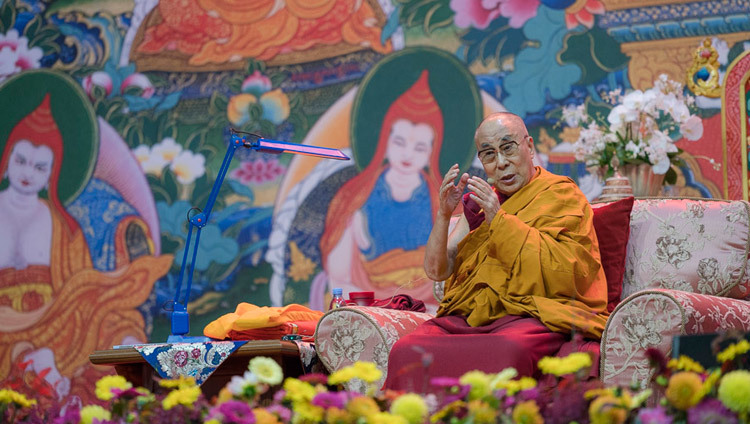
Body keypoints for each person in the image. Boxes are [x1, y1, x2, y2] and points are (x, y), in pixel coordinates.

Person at [384, 112, 609, 392]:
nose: (501, 163)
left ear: (529, 146)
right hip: (472, 317)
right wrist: (443, 214)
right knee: (406, 351)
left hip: (533, 314)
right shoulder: (481, 204)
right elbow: (437, 270)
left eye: (508, 148)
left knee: (507, 352)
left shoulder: (561, 195)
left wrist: (499, 218)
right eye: (489, 155)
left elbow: (569, 271)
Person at [0, 94, 171, 404]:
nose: (27, 173)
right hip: (3, 328)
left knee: (112, 331)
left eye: (40, 167)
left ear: (51, 174)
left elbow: (77, 293)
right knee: (28, 361)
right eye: (20, 160)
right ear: (6, 159)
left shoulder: (61, 224)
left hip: (55, 325)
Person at [319, 70, 445, 307]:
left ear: (432, 153)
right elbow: (340, 278)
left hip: (429, 308)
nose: (407, 154)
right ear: (384, 143)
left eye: (419, 147)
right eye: (399, 142)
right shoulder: (353, 198)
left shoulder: (445, 203)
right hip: (371, 306)